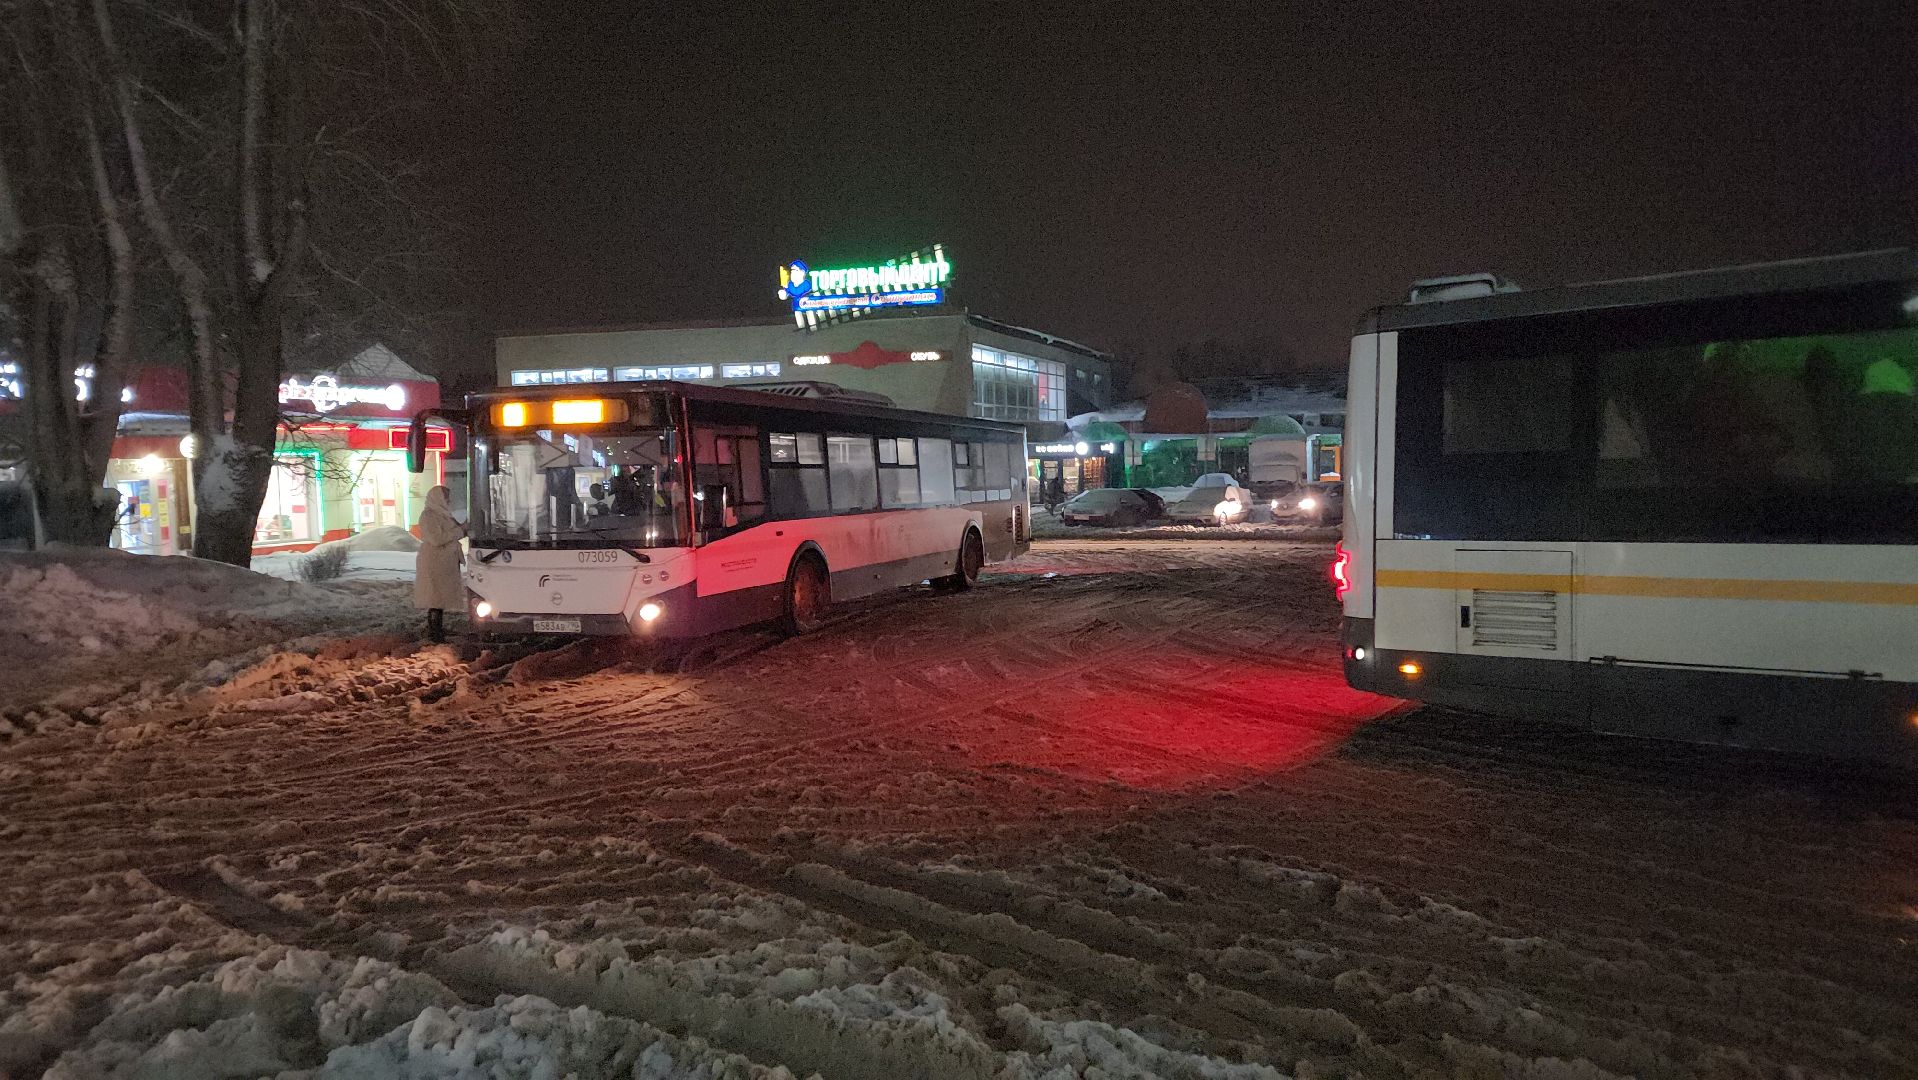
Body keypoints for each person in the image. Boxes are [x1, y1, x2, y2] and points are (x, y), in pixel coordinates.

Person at [414, 485, 465, 643]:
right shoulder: (429, 516)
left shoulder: (443, 515)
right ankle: (434, 632)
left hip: (444, 563)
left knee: (440, 597)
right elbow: (436, 539)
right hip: (434, 563)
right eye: (446, 497)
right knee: (435, 598)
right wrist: (460, 531)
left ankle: (438, 629)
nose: (449, 501)